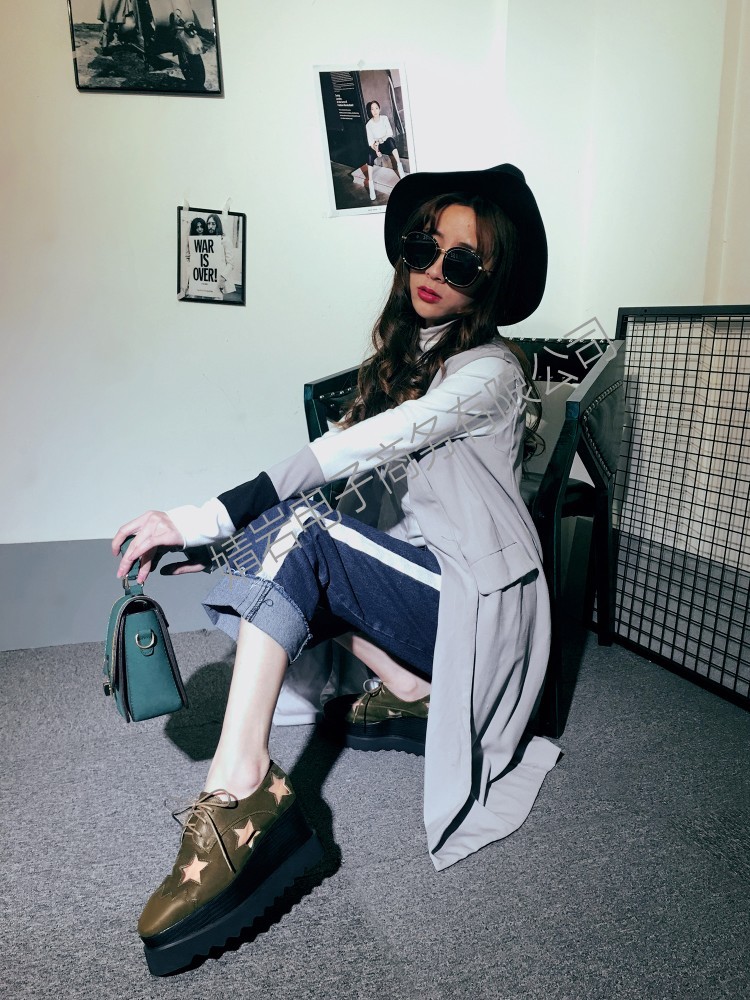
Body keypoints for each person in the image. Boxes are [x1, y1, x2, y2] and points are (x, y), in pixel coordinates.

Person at [113, 164, 560, 976]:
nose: (433, 268)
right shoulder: (415, 357)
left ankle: (241, 789)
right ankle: (410, 687)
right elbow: (338, 482)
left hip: (477, 603)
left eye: (462, 261)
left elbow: (354, 450)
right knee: (290, 530)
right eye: (425, 245)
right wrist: (223, 547)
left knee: (303, 529)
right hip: (430, 589)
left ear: (490, 284)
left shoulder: (490, 371)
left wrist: (207, 515)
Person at [360, 100, 406, 201]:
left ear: (379, 109)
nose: (375, 111)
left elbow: (389, 132)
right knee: (369, 155)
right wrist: (376, 149)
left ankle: (400, 167)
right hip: (376, 146)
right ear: (370, 111)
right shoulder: (368, 125)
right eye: (372, 109)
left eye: (376, 108)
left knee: (391, 141)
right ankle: (371, 183)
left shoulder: (384, 118)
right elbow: (370, 142)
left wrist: (380, 140)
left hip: (385, 143)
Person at [205, 213, 235, 296]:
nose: (210, 226)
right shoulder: (205, 239)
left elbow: (231, 263)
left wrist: (222, 278)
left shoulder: (225, 240)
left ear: (217, 225)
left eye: (213, 224)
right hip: (206, 278)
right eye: (209, 224)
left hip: (219, 278)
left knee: (217, 299)